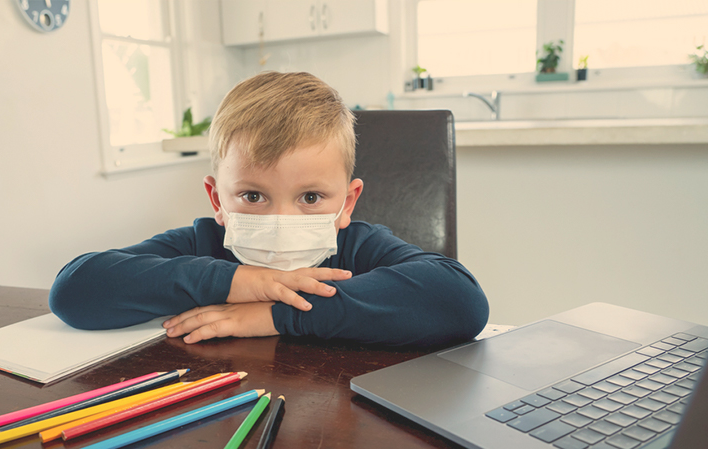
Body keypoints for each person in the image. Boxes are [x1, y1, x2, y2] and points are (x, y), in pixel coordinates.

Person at [49, 71, 488, 347]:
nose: (283, 221)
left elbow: (460, 301)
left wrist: (278, 314)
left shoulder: (359, 247)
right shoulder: (203, 243)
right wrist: (241, 281)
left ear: (347, 202)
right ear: (218, 200)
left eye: (311, 198)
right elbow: (74, 290)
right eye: (254, 197)